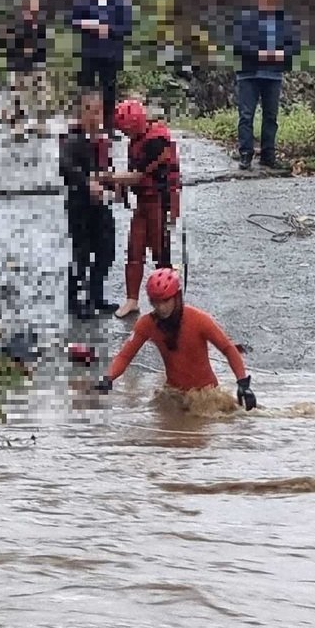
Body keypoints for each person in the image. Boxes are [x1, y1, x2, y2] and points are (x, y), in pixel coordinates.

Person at [96, 268, 256, 408]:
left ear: (177, 297)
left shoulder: (199, 319)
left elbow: (228, 348)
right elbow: (124, 356)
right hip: (172, 394)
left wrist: (243, 384)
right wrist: (107, 379)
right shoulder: (147, 324)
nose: (161, 307)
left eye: (165, 300)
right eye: (155, 301)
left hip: (206, 396)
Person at [101, 99, 181, 319]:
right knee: (134, 250)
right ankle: (132, 300)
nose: (125, 134)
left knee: (160, 253)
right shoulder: (136, 140)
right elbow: (133, 175)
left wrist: (108, 178)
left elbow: (136, 176)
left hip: (160, 200)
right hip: (144, 201)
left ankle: (170, 301)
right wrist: (118, 186)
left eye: (127, 129)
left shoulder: (157, 141)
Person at [59, 89, 118, 319]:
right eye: (93, 112)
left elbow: (106, 168)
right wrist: (86, 183)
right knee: (81, 253)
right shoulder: (73, 139)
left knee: (106, 250)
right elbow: (65, 166)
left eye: (100, 112)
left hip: (99, 203)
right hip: (79, 202)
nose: (97, 117)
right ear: (83, 113)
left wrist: (113, 185)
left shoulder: (101, 140)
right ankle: (75, 300)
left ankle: (96, 295)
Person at [233, 0, 300, 171]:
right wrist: (262, 54)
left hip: (273, 75)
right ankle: (245, 154)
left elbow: (294, 46)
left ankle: (268, 155)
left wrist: (281, 55)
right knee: (246, 116)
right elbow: (238, 45)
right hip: (248, 74)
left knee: (271, 116)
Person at [71, 0, 132, 136]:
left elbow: (126, 27)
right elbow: (73, 20)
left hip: (110, 52)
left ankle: (108, 126)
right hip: (89, 51)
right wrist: (87, 24)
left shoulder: (119, 0)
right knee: (86, 87)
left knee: (109, 89)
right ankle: (85, 122)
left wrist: (108, 28)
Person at [0, 0, 49, 136]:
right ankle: (18, 126)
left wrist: (39, 55)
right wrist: (22, 49)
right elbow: (7, 44)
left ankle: (40, 124)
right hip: (19, 64)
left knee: (40, 95)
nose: (36, 2)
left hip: (37, 64)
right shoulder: (15, 20)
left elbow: (43, 42)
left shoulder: (40, 20)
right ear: (25, 0)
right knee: (19, 96)